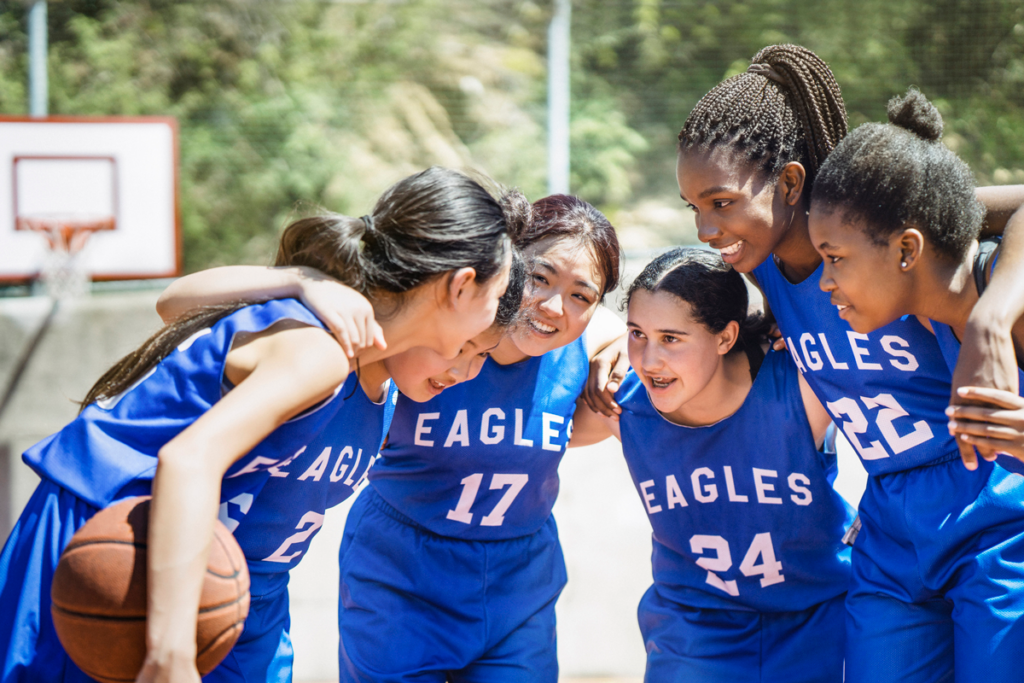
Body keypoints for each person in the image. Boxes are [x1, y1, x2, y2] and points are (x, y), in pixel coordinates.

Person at [0, 166, 514, 683]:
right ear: (461, 286)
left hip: (217, 583)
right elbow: (189, 459)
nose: (499, 315)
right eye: (498, 295)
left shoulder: (375, 384)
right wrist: (171, 655)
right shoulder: (320, 350)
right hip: (105, 541)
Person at [336, 190, 623, 683]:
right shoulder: (430, 343)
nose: (556, 307)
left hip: (518, 586)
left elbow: (611, 331)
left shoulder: (584, 356)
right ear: (505, 264)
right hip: (400, 573)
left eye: (581, 295)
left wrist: (616, 342)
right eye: (539, 277)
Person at [804, 89, 1024, 682]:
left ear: (906, 249)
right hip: (900, 557)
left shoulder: (1003, 300)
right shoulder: (930, 307)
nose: (824, 283)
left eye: (835, 258)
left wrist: (992, 319)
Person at [570, 248, 853, 682]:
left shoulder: (799, 387)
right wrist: (606, 345)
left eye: (671, 338)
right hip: (694, 629)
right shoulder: (621, 405)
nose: (648, 361)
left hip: (816, 617)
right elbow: (541, 387)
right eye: (637, 334)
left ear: (725, 337)